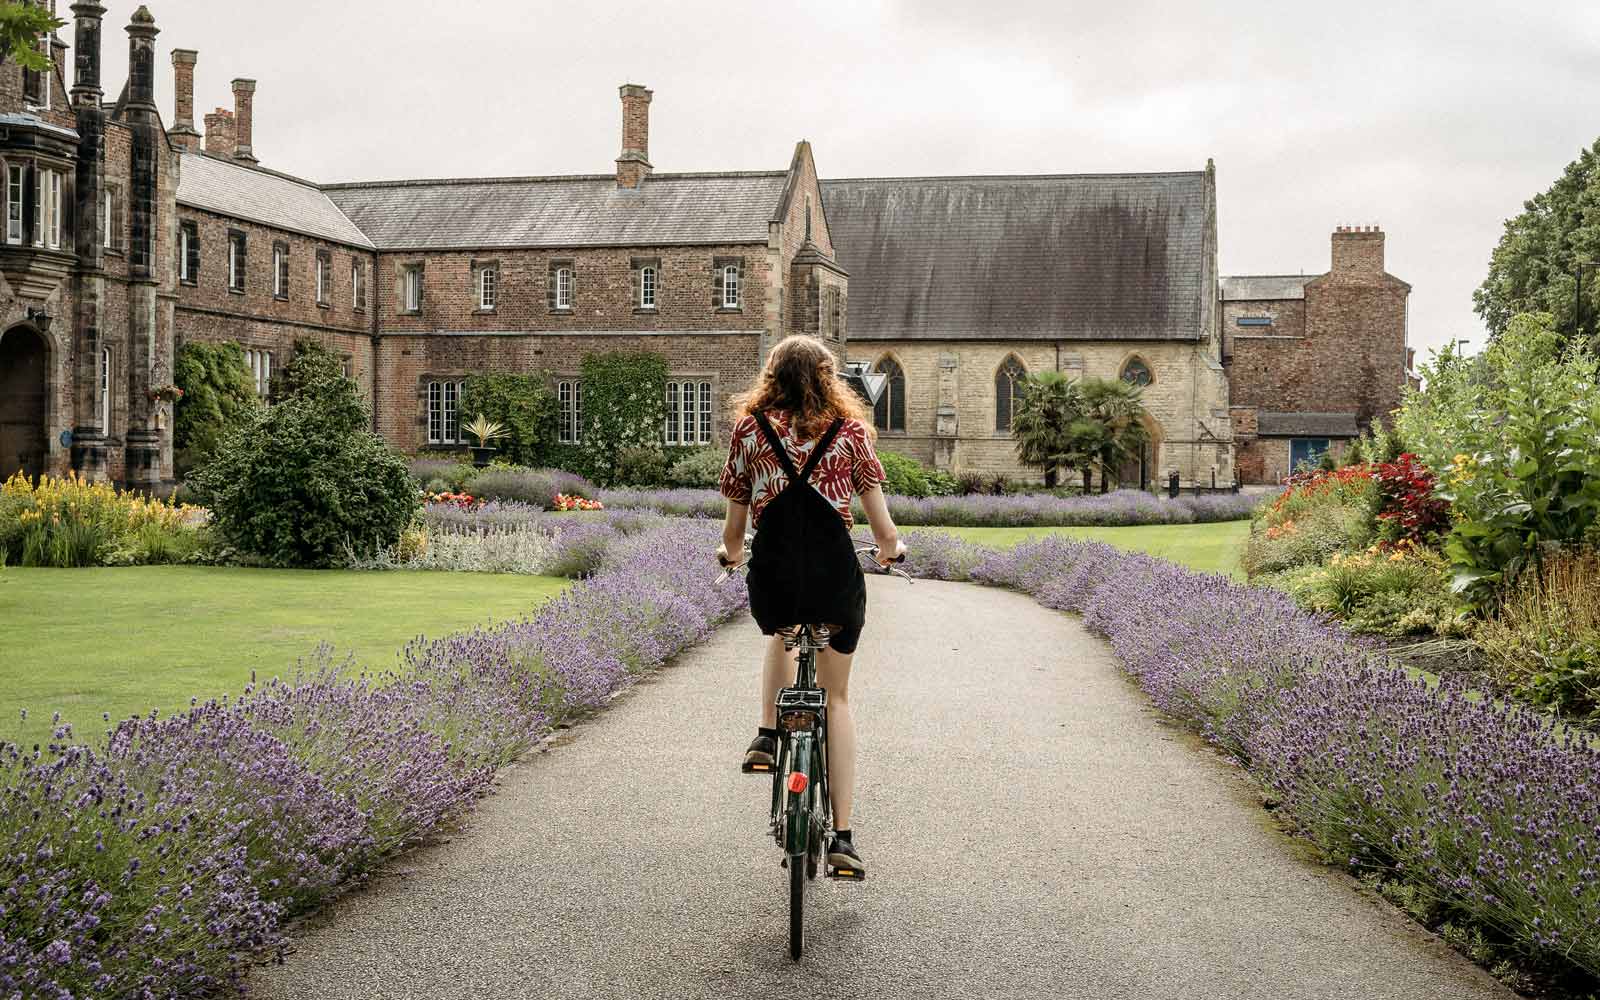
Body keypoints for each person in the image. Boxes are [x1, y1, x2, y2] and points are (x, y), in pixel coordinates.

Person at [716, 334, 905, 878]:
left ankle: (768, 736)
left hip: (775, 574)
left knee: (779, 630)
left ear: (771, 376)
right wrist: (892, 549)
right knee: (837, 698)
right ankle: (843, 838)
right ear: (828, 379)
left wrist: (730, 554)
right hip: (833, 578)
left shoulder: (749, 432)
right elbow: (882, 526)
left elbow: (735, 531)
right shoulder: (849, 435)